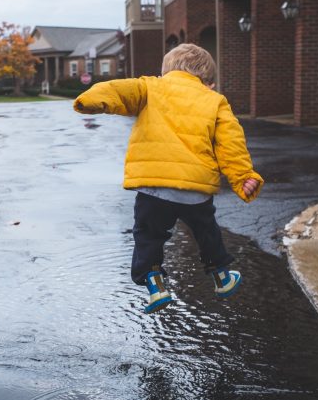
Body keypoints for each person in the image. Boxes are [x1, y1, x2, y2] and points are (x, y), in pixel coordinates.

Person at [73, 43, 263, 314]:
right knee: (206, 231)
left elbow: (117, 90)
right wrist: (243, 176)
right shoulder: (215, 100)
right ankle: (221, 276)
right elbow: (230, 143)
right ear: (208, 81)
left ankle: (155, 284)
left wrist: (90, 100)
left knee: (149, 235)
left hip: (153, 188)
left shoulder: (151, 87)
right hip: (194, 189)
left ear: (165, 72)